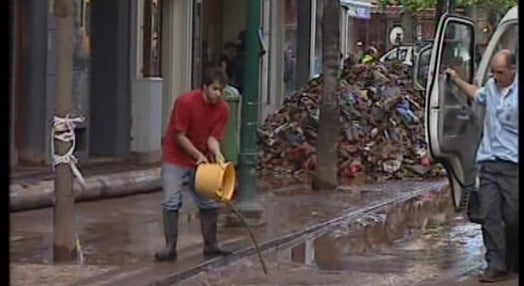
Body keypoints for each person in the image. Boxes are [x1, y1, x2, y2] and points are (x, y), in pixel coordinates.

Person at [446, 49, 518, 283]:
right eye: (493, 72)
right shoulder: (491, 88)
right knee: (489, 215)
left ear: (512, 70)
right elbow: (477, 94)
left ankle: (511, 259)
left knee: (513, 216)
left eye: (500, 72)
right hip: (488, 164)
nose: (496, 77)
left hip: (513, 166)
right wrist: (456, 80)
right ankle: (495, 265)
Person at [155, 67, 232, 262]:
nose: (218, 94)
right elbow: (179, 135)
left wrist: (217, 153)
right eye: (214, 89)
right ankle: (170, 247)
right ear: (204, 87)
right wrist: (197, 154)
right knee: (171, 201)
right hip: (175, 158)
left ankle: (211, 245)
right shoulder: (186, 102)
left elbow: (213, 139)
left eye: (221, 90)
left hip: (201, 161)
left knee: (208, 201)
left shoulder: (223, 109)